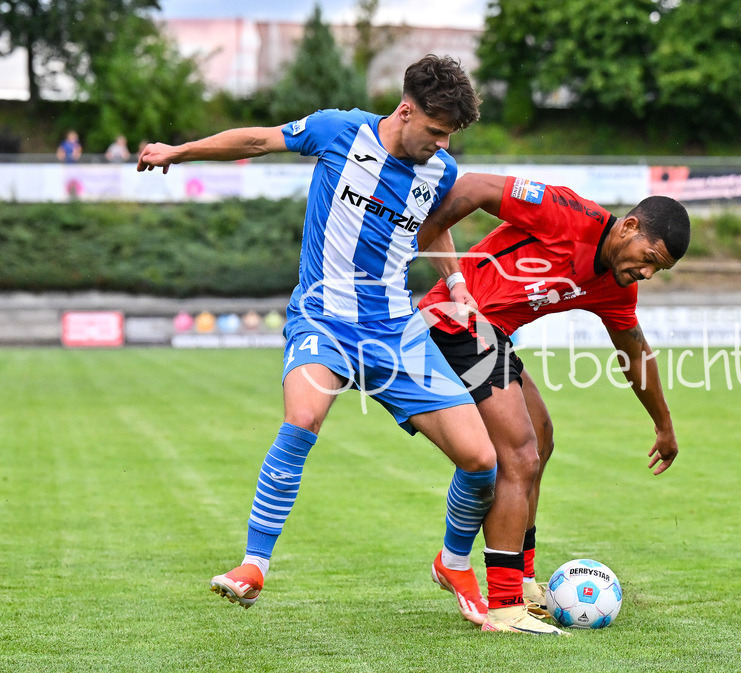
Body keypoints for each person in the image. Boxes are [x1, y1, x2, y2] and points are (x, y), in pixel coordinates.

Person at [138, 55, 562, 636]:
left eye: (449, 137)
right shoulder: (341, 130)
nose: (440, 146)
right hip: (325, 317)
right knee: (302, 418)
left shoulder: (437, 171)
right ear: (405, 111)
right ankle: (254, 565)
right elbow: (258, 140)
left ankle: (453, 562)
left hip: (395, 330)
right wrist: (177, 151)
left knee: (482, 460)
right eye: (435, 132)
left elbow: (434, 227)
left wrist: (459, 284)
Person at [414, 173, 689, 623]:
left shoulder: (617, 286)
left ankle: (519, 579)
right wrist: (422, 240)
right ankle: (505, 605)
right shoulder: (565, 212)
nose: (647, 272)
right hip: (454, 321)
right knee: (519, 454)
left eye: (659, 270)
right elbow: (478, 187)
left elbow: (635, 352)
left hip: (489, 336)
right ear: (630, 227)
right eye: (649, 259)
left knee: (540, 439)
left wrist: (664, 425)